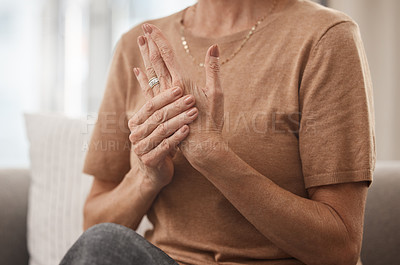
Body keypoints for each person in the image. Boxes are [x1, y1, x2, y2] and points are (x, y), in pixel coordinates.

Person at [61, 0, 376, 264]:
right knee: (102, 243)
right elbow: (94, 229)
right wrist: (146, 177)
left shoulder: (325, 37)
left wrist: (214, 158)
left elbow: (342, 247)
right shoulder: (138, 45)